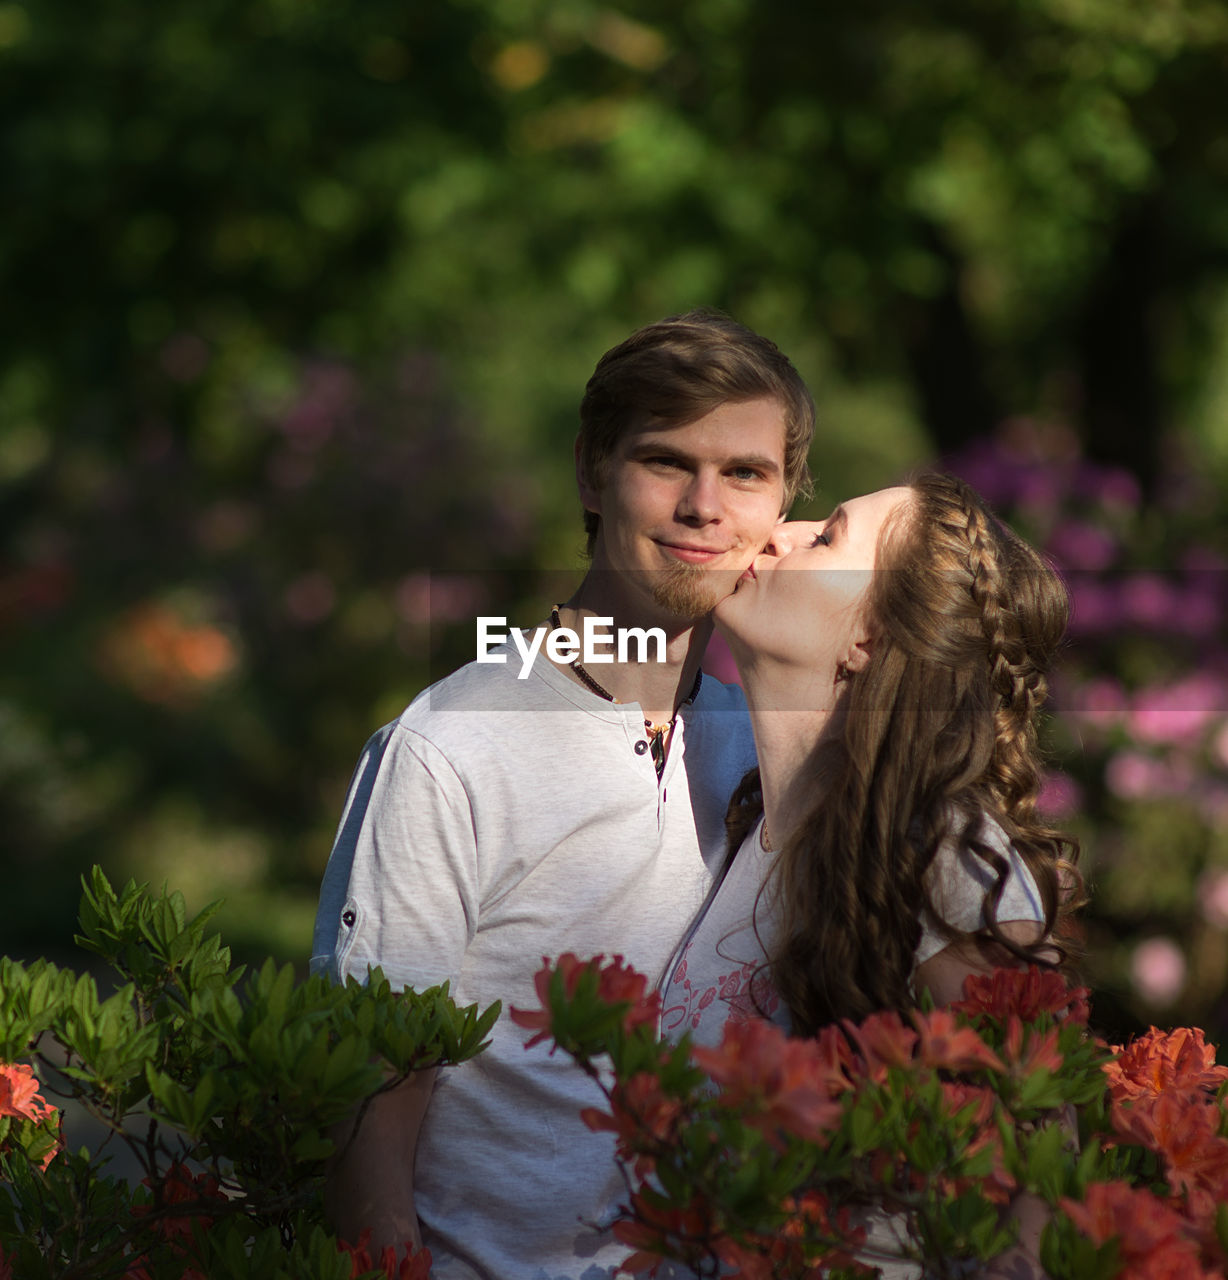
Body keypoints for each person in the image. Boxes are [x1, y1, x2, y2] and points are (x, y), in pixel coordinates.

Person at [311, 310, 816, 1279]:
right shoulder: (446, 747)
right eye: (666, 461)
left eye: (745, 472)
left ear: (784, 495)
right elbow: (366, 1101)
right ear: (591, 471)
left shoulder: (774, 740)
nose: (705, 505)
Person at [660, 471, 1081, 1278]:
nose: (777, 530)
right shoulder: (741, 840)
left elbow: (1042, 1162)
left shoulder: (944, 853)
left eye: (826, 538)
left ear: (870, 638)